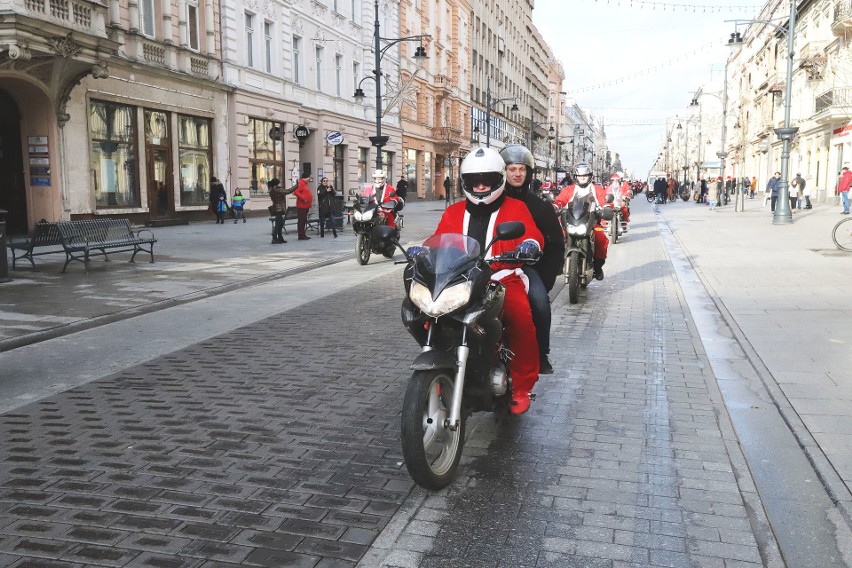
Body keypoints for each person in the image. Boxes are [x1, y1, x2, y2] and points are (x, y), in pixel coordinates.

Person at [431, 146, 543, 414]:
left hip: (502, 278)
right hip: (460, 280)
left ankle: (522, 386)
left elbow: (532, 235)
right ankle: (440, 369)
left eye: (487, 180)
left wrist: (529, 245)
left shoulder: (516, 207)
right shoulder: (454, 212)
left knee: (520, 319)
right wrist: (423, 251)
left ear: (499, 180)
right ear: (464, 182)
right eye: (474, 181)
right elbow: (438, 240)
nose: (480, 186)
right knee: (432, 313)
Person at [500, 144, 565, 375]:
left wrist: (545, 280)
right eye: (511, 169)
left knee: (539, 302)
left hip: (527, 268)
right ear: (503, 171)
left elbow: (556, 245)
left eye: (521, 169)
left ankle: (541, 352)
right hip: (492, 265)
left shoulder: (541, 207)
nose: (517, 174)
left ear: (529, 173)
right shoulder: (491, 202)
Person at [554, 163, 611, 280]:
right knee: (558, 237)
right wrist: (555, 206)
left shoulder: (597, 190)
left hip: (592, 223)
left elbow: (605, 202)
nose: (583, 178)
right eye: (580, 176)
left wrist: (607, 208)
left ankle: (598, 266)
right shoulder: (569, 190)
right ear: (575, 177)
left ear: (590, 176)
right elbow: (560, 200)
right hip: (571, 222)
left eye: (585, 175)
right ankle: (558, 264)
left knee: (601, 239)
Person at [293, 172, 313, 240]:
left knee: (303, 220)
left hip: (305, 206)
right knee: (301, 221)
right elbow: (296, 192)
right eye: (308, 178)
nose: (309, 179)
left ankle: (303, 234)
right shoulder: (301, 183)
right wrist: (303, 198)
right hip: (302, 206)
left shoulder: (304, 184)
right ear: (306, 177)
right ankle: (301, 235)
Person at [268, 178, 287, 244]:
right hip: (278, 209)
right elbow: (288, 191)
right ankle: (274, 238)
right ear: (277, 183)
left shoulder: (273, 190)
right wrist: (297, 185)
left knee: (280, 223)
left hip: (277, 208)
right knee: (278, 224)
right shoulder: (277, 190)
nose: (281, 183)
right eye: (280, 182)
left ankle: (280, 237)